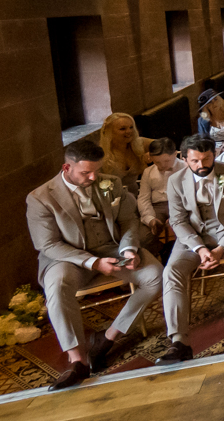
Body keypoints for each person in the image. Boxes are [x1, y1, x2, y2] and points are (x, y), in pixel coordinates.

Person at [25, 140, 163, 390]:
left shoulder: (112, 183)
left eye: (96, 171)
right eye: (85, 172)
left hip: (112, 249)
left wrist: (128, 248)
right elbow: (47, 245)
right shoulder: (40, 198)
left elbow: (129, 221)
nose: (93, 177)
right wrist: (93, 262)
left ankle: (108, 337)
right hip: (68, 258)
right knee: (56, 286)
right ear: (67, 167)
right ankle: (76, 358)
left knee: (155, 275)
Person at [158, 136, 224, 363]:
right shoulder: (175, 181)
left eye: (206, 159)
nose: (201, 165)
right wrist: (200, 248)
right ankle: (179, 341)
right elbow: (178, 220)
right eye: (194, 161)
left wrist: (222, 247)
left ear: (215, 153)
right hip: (192, 237)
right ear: (184, 159)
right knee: (171, 271)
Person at [137, 138, 186, 246]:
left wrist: (177, 215)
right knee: (142, 238)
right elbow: (143, 198)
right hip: (157, 207)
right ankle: (163, 252)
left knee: (183, 232)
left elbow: (190, 196)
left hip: (181, 204)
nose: (162, 166)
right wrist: (150, 219)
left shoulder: (186, 168)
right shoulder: (148, 172)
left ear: (175, 154)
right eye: (157, 162)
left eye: (167, 161)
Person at [99, 113, 151, 195]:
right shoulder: (101, 155)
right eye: (122, 129)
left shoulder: (139, 144)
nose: (129, 131)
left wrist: (153, 155)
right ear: (109, 132)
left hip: (138, 195)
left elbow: (165, 145)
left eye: (131, 127)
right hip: (114, 200)